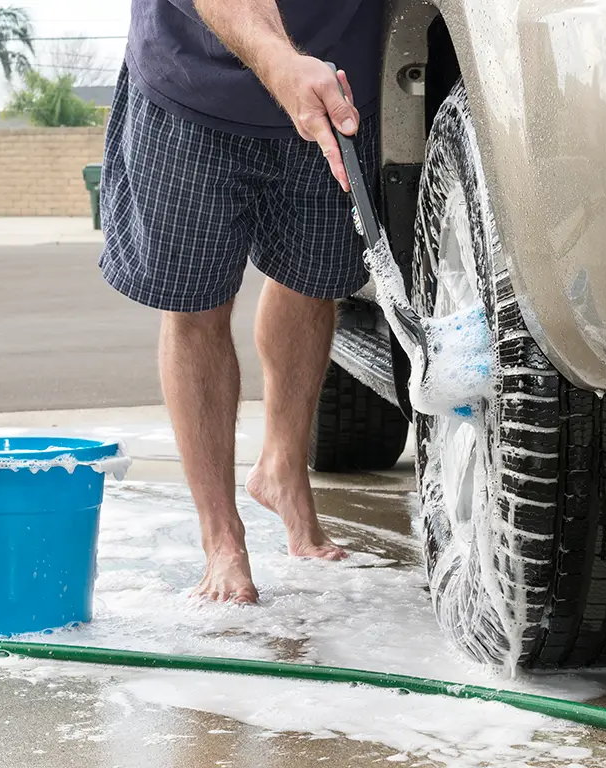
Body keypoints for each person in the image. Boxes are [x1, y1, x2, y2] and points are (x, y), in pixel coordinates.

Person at [98, 0, 384, 603]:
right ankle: (222, 539)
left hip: (337, 84)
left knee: (312, 281)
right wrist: (282, 62)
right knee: (196, 306)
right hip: (191, 87)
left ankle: (283, 472)